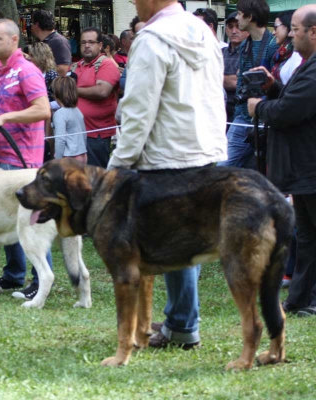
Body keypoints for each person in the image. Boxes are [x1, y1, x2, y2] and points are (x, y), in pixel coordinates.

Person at [106, 0, 227, 349]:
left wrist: (119, 163)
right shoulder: (203, 31)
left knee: (175, 242)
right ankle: (180, 318)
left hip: (167, 157)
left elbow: (139, 108)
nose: (132, 2)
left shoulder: (152, 38)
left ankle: (184, 326)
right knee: (189, 240)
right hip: (205, 150)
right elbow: (214, 95)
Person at [248, 5, 316, 317]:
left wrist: (259, 108)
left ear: (313, 32)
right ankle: (301, 299)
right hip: (303, 169)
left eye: (297, 30)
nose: (291, 35)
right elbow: (292, 100)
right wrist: (272, 88)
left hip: (310, 167)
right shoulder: (307, 65)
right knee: (306, 237)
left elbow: (290, 111)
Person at [0, 19, 52, 300]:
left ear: (13, 40)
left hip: (23, 160)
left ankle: (39, 279)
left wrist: (7, 118)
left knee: (32, 221)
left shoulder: (27, 71)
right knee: (8, 218)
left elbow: (43, 109)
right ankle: (13, 276)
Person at [218, 0, 278, 169]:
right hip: (242, 118)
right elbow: (241, 84)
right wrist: (239, 112)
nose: (237, 18)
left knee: (252, 171)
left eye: (239, 14)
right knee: (225, 166)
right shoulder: (246, 44)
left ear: (249, 17)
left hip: (264, 119)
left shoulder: (273, 45)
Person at [72, 27, 120, 168]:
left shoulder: (106, 65)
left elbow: (102, 91)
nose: (87, 45)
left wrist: (73, 91)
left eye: (91, 42)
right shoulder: (76, 66)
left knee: (96, 177)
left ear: (100, 45)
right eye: (83, 42)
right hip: (75, 132)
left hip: (96, 134)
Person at [51, 76, 87, 163]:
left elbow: (60, 139)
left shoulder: (59, 114)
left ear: (56, 95)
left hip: (69, 157)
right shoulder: (78, 111)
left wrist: (57, 161)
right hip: (83, 155)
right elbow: (84, 136)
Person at [222, 12, 250, 123]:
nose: (234, 31)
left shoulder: (251, 53)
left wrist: (213, 77)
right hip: (219, 109)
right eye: (230, 27)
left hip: (240, 110)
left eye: (238, 26)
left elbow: (237, 82)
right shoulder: (219, 52)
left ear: (247, 30)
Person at [31, 10, 72, 77]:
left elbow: (63, 69)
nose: (31, 26)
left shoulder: (60, 42)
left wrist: (35, 70)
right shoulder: (42, 42)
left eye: (32, 23)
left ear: (37, 25)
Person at [271, 10, 303, 85]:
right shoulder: (282, 53)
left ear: (288, 25)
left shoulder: (298, 52)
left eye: (276, 27)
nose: (273, 32)